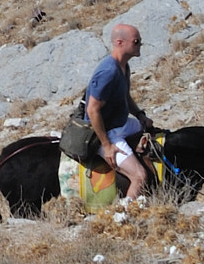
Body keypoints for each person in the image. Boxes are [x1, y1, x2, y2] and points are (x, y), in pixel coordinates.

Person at [62, 23, 149, 201]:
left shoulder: (124, 66)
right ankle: (124, 213)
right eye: (136, 41)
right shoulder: (108, 72)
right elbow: (92, 110)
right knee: (140, 176)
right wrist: (107, 146)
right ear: (119, 42)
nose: (140, 45)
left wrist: (140, 116)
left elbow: (125, 96)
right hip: (107, 132)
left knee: (150, 130)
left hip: (121, 124)